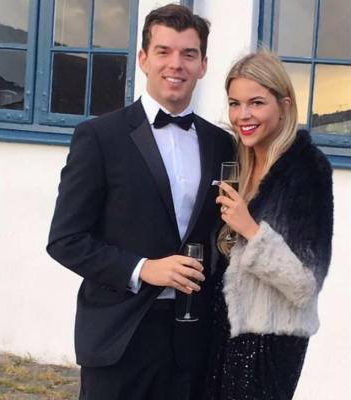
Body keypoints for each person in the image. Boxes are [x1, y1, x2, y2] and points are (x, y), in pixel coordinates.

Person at [47, 4, 234, 400]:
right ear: (144, 59)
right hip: (119, 334)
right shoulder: (99, 137)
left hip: (193, 340)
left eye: (188, 54)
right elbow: (65, 240)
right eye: (164, 51)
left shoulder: (222, 144)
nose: (176, 64)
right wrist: (143, 268)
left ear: (203, 65)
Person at [203, 51, 334, 400]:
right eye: (235, 103)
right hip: (219, 330)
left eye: (256, 103)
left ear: (284, 105)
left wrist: (251, 230)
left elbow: (306, 284)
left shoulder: (307, 171)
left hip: (269, 341)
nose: (242, 115)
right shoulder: (236, 160)